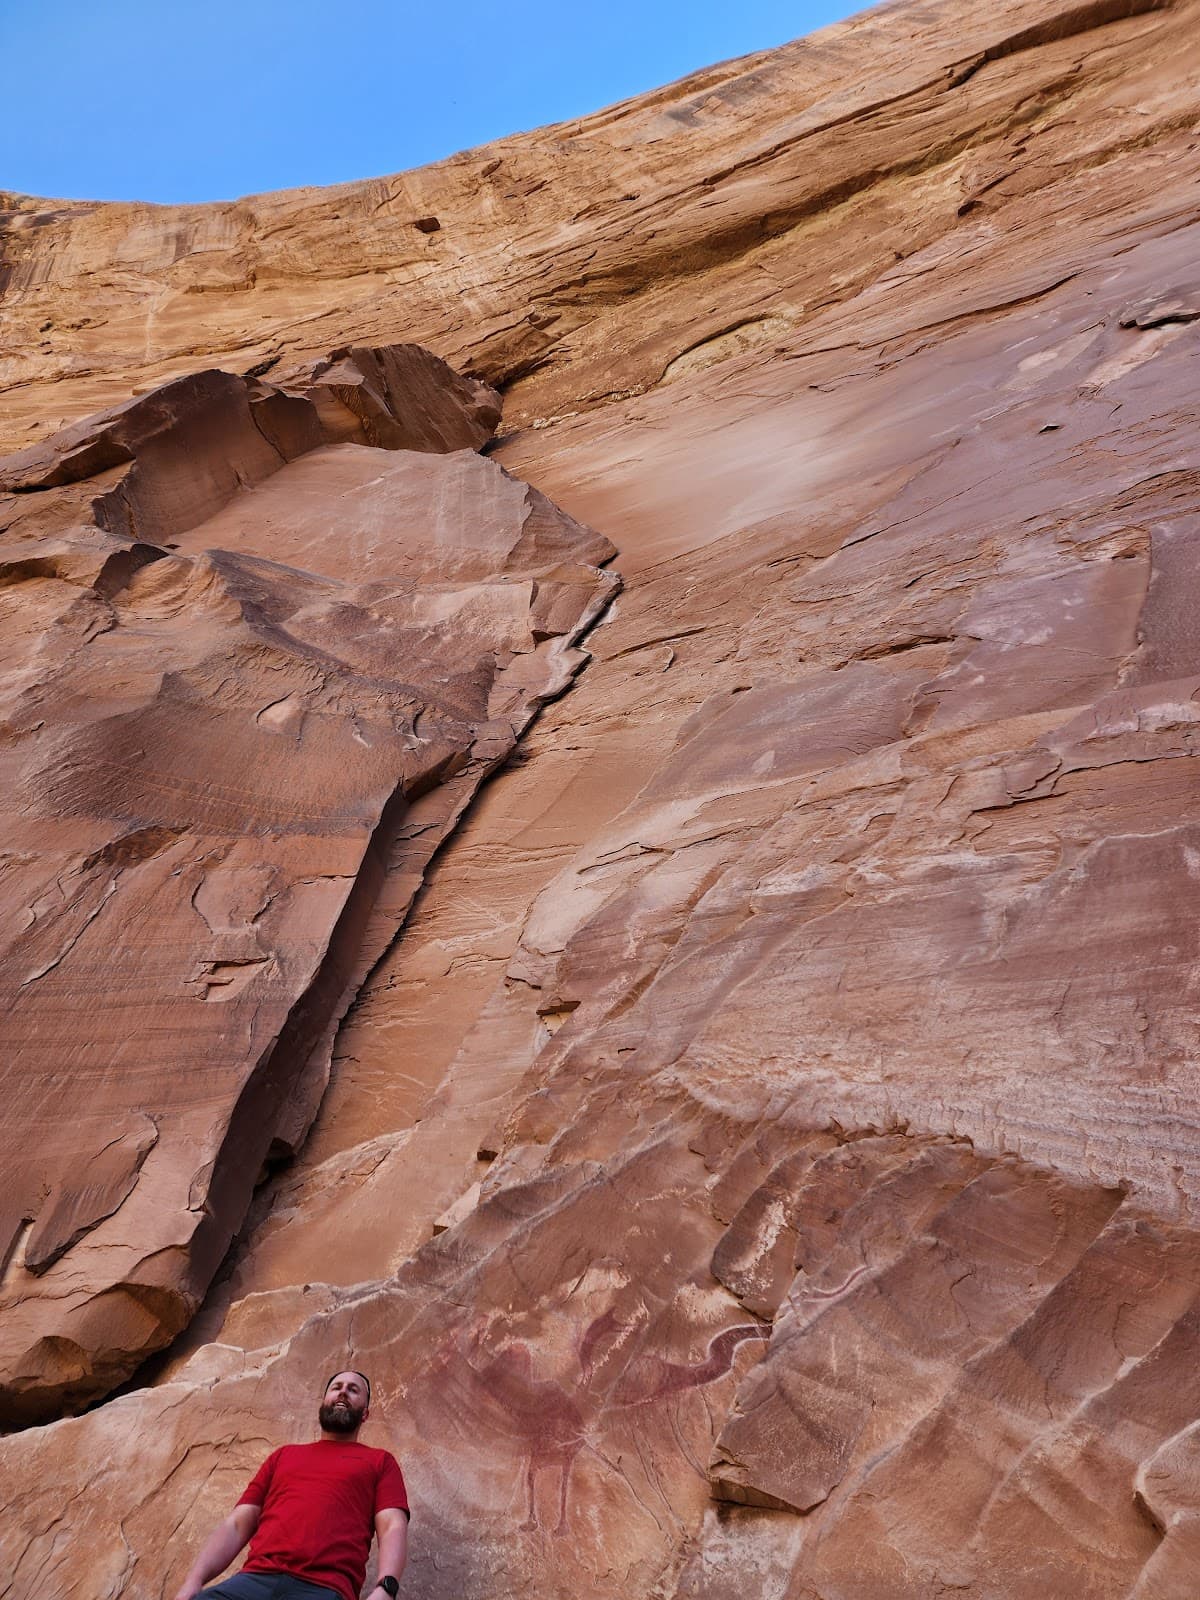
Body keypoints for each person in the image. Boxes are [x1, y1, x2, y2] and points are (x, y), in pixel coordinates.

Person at [172, 1369, 409, 1600]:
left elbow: (392, 1526)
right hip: (254, 1580)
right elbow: (237, 1523)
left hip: (324, 1588)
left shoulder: (380, 1461)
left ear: (365, 1414)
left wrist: (386, 1589)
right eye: (336, 1387)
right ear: (324, 1402)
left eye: (353, 1390)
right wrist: (195, 1579)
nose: (343, 1392)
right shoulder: (283, 1456)